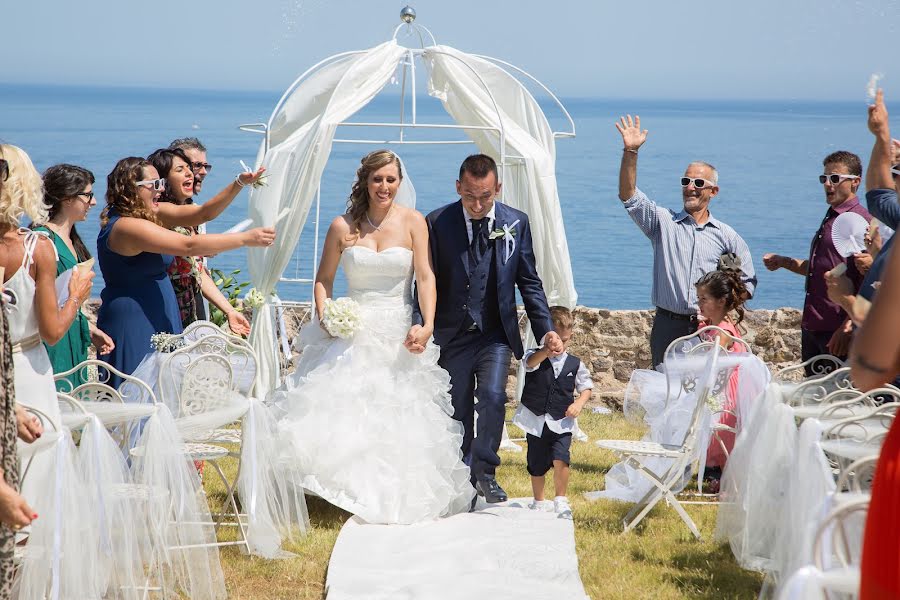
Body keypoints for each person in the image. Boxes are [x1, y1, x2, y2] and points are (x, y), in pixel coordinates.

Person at [273, 150, 474, 524]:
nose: (384, 187)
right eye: (377, 179)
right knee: (349, 410)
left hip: (398, 331)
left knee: (398, 412)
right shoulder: (342, 227)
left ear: (400, 183)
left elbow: (426, 277)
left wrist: (427, 323)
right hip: (353, 329)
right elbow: (324, 280)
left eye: (391, 180)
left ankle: (392, 489)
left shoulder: (414, 222)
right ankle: (343, 486)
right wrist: (327, 313)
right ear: (365, 181)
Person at [96, 157, 274, 385]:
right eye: (153, 185)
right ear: (131, 189)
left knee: (160, 390)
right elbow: (187, 245)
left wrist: (239, 182)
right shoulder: (126, 226)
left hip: (158, 312)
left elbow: (202, 216)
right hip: (134, 318)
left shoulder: (149, 215)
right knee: (137, 391)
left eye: (160, 183)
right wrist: (245, 239)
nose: (160, 190)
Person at [615, 115, 757, 368]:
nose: (690, 187)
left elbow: (742, 283)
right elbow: (628, 195)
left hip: (708, 329)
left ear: (713, 191)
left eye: (699, 183)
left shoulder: (726, 238)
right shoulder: (663, 223)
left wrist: (718, 313)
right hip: (667, 325)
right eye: (686, 181)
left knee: (706, 394)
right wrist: (631, 151)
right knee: (665, 392)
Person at [0, 144, 93, 505]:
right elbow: (53, 330)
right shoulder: (37, 248)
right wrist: (75, 296)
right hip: (27, 370)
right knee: (36, 473)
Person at [763, 151, 872, 372]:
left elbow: (870, 279)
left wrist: (848, 325)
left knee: (838, 400)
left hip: (837, 328)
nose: (828, 185)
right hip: (813, 325)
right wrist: (785, 262)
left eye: (835, 178)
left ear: (855, 182)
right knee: (813, 396)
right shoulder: (831, 217)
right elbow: (823, 269)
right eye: (824, 179)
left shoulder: (861, 222)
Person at [147, 148, 257, 333]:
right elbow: (204, 214)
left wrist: (229, 310)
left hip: (190, 308)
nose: (190, 173)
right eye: (180, 169)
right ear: (163, 180)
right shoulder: (158, 212)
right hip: (165, 306)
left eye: (189, 168)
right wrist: (239, 182)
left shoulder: (189, 217)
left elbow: (197, 271)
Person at [31, 164, 114, 389]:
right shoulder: (41, 240)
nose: (93, 202)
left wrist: (90, 330)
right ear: (67, 199)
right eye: (87, 196)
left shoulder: (71, 240)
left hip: (72, 334)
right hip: (53, 342)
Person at [512, 306, 592, 519]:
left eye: (565, 340)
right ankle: (538, 500)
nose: (560, 345)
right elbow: (529, 364)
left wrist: (579, 403)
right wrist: (545, 351)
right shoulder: (535, 355)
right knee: (536, 464)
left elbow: (586, 387)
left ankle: (560, 499)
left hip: (561, 422)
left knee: (561, 458)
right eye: (556, 339)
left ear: (570, 336)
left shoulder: (576, 363)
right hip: (536, 421)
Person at [693, 262, 750, 482]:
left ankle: (717, 470)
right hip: (721, 386)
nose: (699, 304)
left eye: (704, 299)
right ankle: (713, 468)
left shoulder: (722, 332)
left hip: (725, 391)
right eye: (699, 299)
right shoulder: (717, 325)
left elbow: (712, 363)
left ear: (721, 301)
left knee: (720, 432)